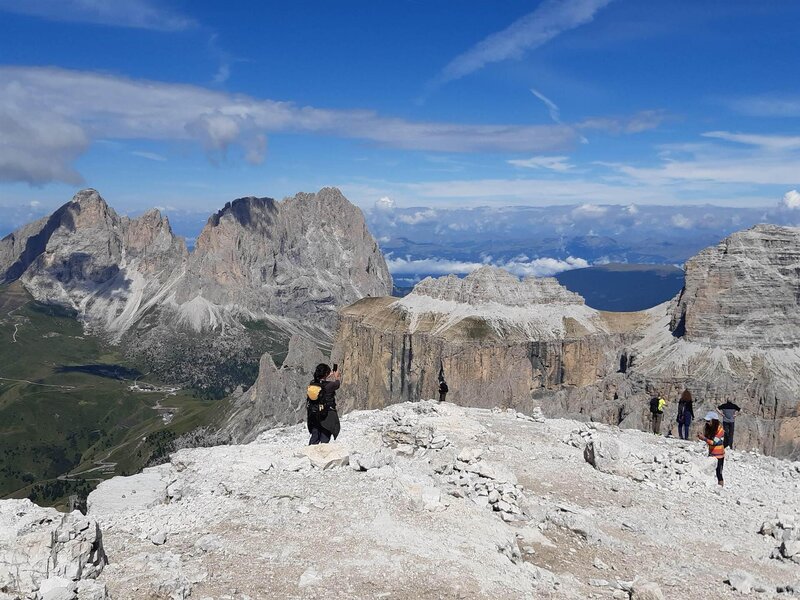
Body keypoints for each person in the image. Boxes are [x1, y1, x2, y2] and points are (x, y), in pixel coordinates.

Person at [306, 363, 341, 445]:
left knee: (315, 435)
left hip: (314, 415)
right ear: (326, 374)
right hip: (326, 415)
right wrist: (336, 376)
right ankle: (322, 454)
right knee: (325, 435)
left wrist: (326, 375)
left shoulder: (312, 384)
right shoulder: (330, 385)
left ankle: (310, 453)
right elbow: (337, 384)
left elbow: (321, 382)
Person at [698, 411, 725, 486]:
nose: (707, 423)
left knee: (719, 473)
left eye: (709, 421)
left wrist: (704, 438)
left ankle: (720, 487)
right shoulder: (710, 429)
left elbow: (714, 442)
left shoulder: (720, 430)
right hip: (711, 454)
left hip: (719, 456)